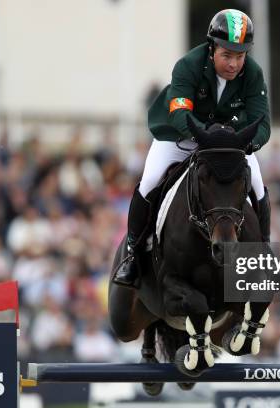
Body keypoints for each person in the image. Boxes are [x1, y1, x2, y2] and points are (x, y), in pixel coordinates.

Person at [113, 9, 271, 288]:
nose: (234, 64)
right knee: (149, 181)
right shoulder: (188, 65)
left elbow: (263, 125)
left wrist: (242, 145)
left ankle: (262, 252)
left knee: (257, 185)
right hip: (179, 136)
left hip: (228, 144)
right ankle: (132, 253)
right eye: (227, 55)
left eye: (240, 55)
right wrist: (208, 139)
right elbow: (179, 114)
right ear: (212, 49)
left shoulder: (253, 74)